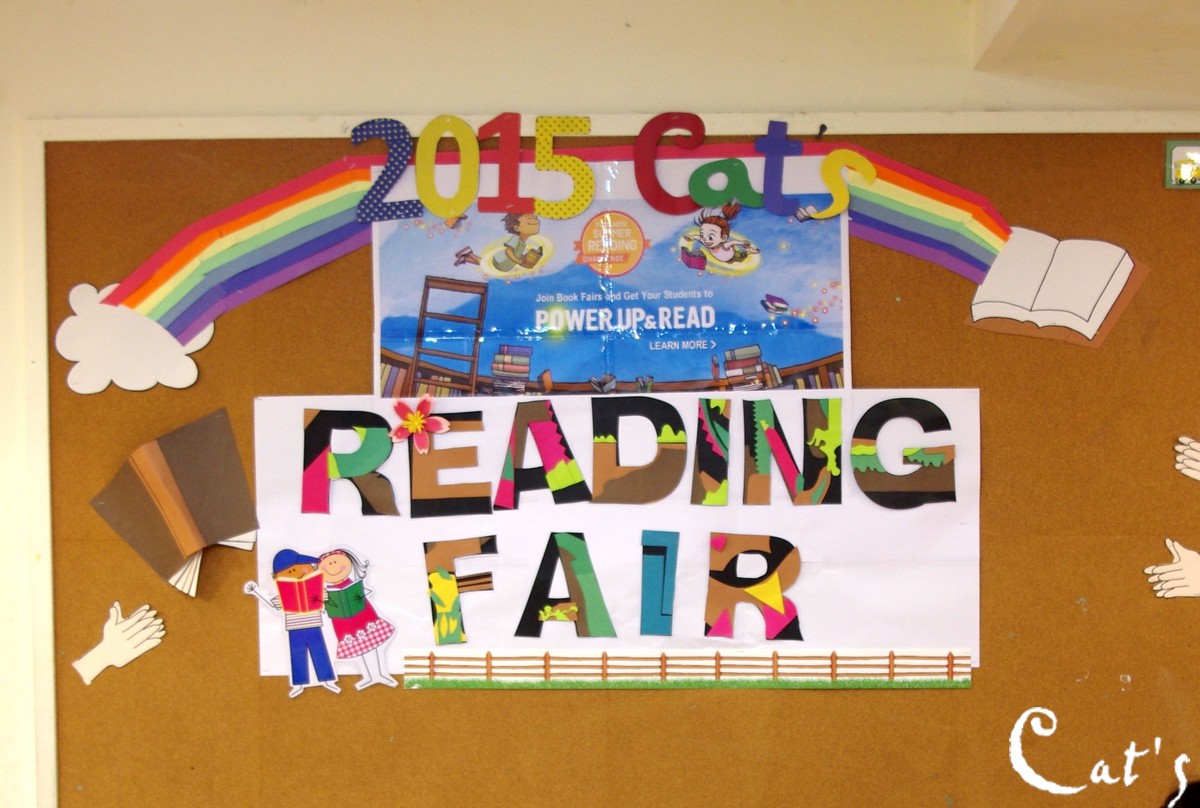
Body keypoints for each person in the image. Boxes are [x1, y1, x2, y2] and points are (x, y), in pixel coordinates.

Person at [245, 548, 340, 698]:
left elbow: (331, 600)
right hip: (294, 628)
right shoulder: (285, 593)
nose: (298, 573)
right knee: (298, 655)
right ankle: (299, 684)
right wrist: (256, 592)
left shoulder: (315, 587)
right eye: (290, 571)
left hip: (314, 625)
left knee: (319, 652)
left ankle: (327, 680)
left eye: (302, 567)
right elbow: (272, 605)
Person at [318, 549, 398, 689]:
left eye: (336, 561)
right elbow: (324, 607)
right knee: (362, 650)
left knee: (372, 646)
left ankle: (378, 675)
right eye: (328, 564)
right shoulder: (326, 592)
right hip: (344, 623)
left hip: (364, 616)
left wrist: (360, 594)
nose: (333, 565)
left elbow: (366, 592)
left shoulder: (353, 584)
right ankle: (371, 676)